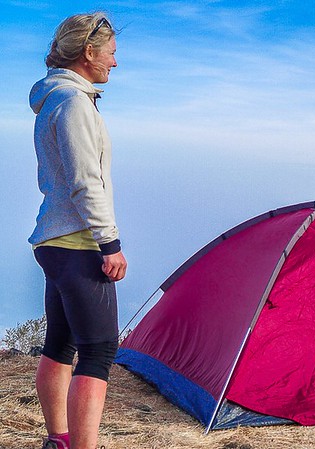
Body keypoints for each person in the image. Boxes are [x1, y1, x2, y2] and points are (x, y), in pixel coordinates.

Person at [28, 12, 126, 449]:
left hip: (53, 240)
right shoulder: (73, 105)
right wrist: (110, 243)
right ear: (88, 52)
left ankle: (59, 440)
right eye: (111, 53)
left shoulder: (53, 100)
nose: (114, 63)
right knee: (100, 350)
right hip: (80, 242)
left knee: (61, 343)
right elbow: (86, 181)